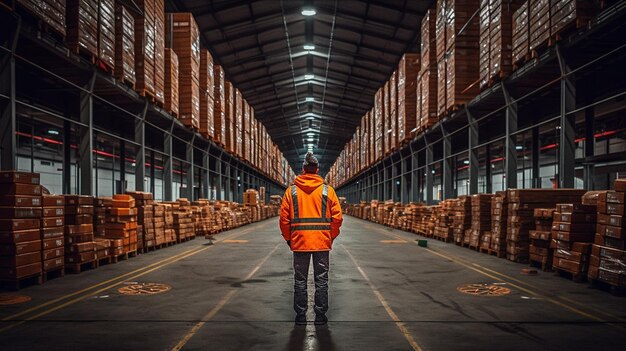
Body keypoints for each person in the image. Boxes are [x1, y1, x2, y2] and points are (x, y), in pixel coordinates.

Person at [280, 152, 343, 326]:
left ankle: (301, 316)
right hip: (322, 243)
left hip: (299, 243)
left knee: (300, 280)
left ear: (303, 170)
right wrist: (330, 236)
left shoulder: (291, 191)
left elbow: (284, 220)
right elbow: (337, 218)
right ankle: (320, 316)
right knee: (321, 279)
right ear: (317, 170)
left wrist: (289, 239)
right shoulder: (327, 191)